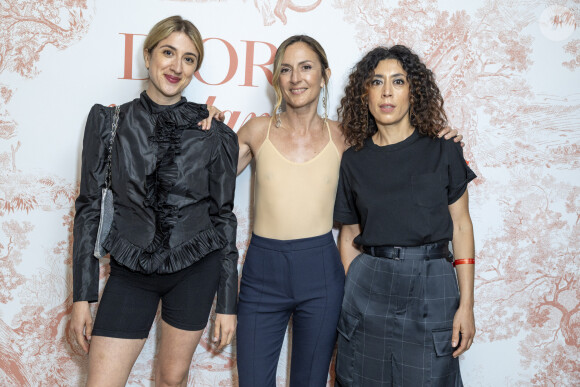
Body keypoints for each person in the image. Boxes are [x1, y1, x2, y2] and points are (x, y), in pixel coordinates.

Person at [234, 36, 462, 386]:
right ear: (276, 78)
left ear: (324, 75)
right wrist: (205, 125)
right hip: (263, 269)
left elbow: (396, 147)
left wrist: (442, 137)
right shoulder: (255, 131)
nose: (296, 77)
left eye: (306, 67)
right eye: (286, 69)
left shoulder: (346, 139)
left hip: (322, 272)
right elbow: (205, 180)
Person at [69, 16, 238, 386]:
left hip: (196, 269)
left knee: (171, 380)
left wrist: (228, 302)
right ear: (148, 56)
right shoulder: (109, 122)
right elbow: (90, 208)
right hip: (131, 273)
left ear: (195, 68)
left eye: (189, 59)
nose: (177, 67)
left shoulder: (214, 132)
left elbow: (223, 217)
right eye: (168, 52)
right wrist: (83, 296)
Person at [333, 45, 476, 386]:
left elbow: (461, 225)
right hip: (369, 284)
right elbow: (349, 234)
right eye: (377, 81)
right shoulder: (354, 160)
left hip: (432, 283)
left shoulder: (444, 148)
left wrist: (467, 305)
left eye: (398, 81)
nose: (386, 91)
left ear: (414, 91)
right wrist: (355, 290)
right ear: (364, 93)